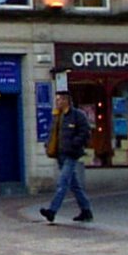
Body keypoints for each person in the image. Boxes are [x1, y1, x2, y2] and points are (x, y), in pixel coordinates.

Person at [40, 89, 93, 223]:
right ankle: (86, 210)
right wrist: (48, 144)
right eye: (56, 100)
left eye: (59, 99)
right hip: (60, 154)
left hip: (71, 154)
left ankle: (52, 211)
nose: (57, 102)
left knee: (62, 183)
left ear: (66, 100)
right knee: (74, 185)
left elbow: (85, 132)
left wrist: (74, 144)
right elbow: (53, 133)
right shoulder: (57, 116)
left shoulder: (77, 115)